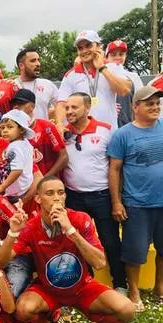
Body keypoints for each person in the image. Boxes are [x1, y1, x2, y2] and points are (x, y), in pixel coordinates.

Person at [0, 176, 136, 323]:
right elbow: (1, 262)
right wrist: (13, 231)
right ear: (38, 199)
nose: (57, 198)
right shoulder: (31, 227)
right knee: (22, 310)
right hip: (48, 290)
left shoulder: (79, 219)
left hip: (81, 287)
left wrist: (71, 231)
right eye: (50, 193)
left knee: (127, 310)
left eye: (61, 193)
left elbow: (100, 262)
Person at [63, 92, 126, 292]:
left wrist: (117, 201)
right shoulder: (63, 133)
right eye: (67, 107)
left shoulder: (106, 131)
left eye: (74, 107)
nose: (69, 111)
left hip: (101, 196)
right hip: (73, 196)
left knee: (111, 241)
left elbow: (116, 167)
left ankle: (120, 283)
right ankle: (85, 283)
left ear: (88, 109)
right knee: (76, 242)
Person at [108, 86, 163, 310]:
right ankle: (134, 290)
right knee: (135, 252)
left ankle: (160, 287)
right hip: (137, 203)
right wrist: (116, 201)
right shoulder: (123, 135)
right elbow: (114, 170)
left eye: (158, 103)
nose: (155, 107)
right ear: (135, 107)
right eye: (149, 103)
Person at [55, 30, 131, 133]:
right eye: (80, 48)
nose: (84, 51)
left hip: (109, 133)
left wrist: (102, 68)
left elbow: (125, 90)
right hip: (82, 136)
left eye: (88, 46)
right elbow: (62, 104)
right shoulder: (71, 75)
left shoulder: (112, 68)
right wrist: (59, 123)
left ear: (99, 47)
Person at [10, 89, 68, 178]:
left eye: (21, 103)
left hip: (48, 186)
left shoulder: (46, 127)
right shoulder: (11, 132)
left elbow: (63, 157)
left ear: (32, 106)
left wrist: (44, 180)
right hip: (25, 187)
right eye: (14, 104)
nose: (16, 107)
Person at [0, 109, 35, 203]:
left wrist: (2, 186)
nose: (5, 131)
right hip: (25, 187)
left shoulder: (14, 147)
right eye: (3, 128)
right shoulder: (24, 143)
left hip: (17, 193)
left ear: (21, 129)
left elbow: (17, 170)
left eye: (10, 127)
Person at [105, 39, 144, 128]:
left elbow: (141, 101)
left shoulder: (133, 77)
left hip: (128, 127)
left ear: (125, 56)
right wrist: (109, 107)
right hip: (105, 128)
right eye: (113, 54)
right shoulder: (100, 77)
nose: (118, 57)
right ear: (106, 57)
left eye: (121, 54)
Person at [14, 49, 59, 120]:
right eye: (33, 61)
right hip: (20, 130)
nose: (38, 64)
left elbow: (61, 107)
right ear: (21, 66)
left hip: (42, 130)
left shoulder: (48, 84)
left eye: (38, 60)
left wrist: (57, 124)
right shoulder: (12, 85)